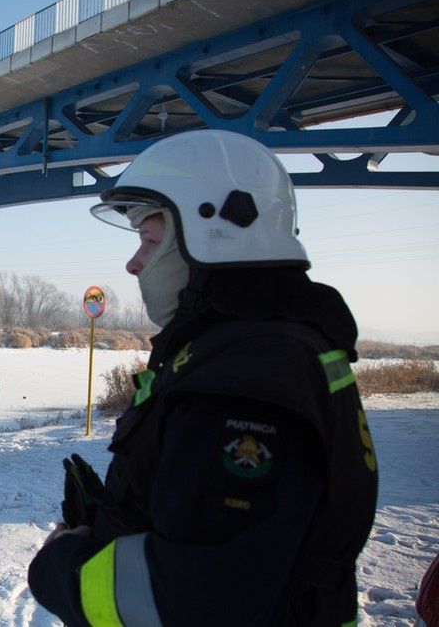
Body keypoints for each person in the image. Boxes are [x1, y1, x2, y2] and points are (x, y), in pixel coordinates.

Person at [27, 130, 378, 626]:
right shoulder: (259, 348)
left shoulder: (245, 382)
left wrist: (60, 566)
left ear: (212, 235)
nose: (133, 263)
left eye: (149, 240)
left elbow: (195, 598)